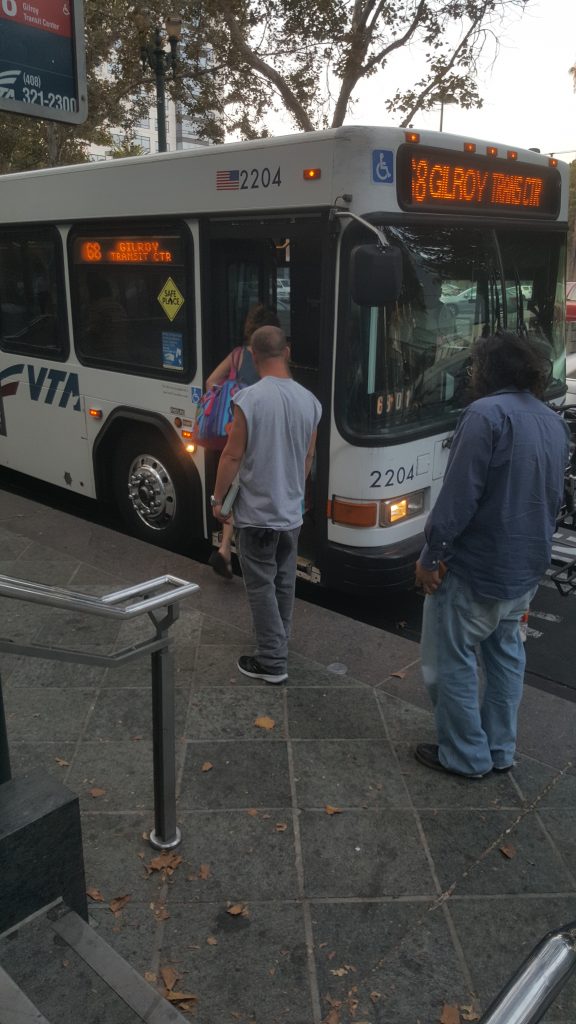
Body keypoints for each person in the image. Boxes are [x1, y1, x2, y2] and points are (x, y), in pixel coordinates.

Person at [414, 331, 569, 779]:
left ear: (487, 371)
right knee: (506, 658)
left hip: (475, 568)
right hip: (524, 569)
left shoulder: (484, 415)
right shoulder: (551, 420)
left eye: (474, 366)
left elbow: (458, 500)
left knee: (451, 661)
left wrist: (430, 557)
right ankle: (500, 750)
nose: (471, 373)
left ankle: (465, 756)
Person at [212, 325, 322, 684]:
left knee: (260, 585)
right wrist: (293, 491)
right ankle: (280, 641)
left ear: (254, 357)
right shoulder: (311, 402)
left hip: (258, 515)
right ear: (287, 353)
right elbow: (308, 457)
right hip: (291, 514)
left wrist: (218, 499)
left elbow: (231, 455)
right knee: (284, 583)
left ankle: (273, 661)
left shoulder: (250, 400)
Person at [206, 303, 280, 579]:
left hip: (234, 427)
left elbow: (212, 381)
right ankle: (231, 548)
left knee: (236, 484)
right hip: (260, 430)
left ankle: (225, 548)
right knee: (247, 484)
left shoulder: (237, 355)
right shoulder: (271, 358)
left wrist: (230, 401)